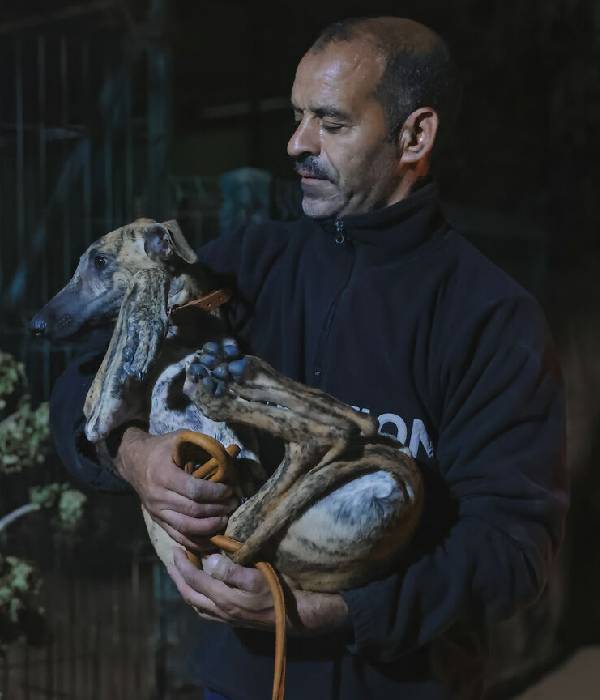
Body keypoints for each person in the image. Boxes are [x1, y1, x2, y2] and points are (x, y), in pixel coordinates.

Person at [49, 16, 568, 700]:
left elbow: (511, 553)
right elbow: (81, 383)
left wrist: (330, 611)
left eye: (331, 122)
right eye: (297, 116)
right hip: (235, 681)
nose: (297, 143)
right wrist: (134, 453)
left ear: (415, 136)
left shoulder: (492, 318)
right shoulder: (244, 266)